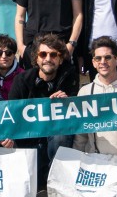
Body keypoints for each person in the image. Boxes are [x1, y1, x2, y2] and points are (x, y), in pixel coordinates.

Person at [9, 34, 80, 183]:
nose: (48, 58)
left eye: (53, 55)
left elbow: (77, 116)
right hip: (29, 142)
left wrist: (67, 103)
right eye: (43, 54)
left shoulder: (69, 78)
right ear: (36, 58)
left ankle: (59, 180)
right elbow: (11, 114)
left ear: (60, 60)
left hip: (55, 142)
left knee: (61, 134)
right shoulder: (21, 80)